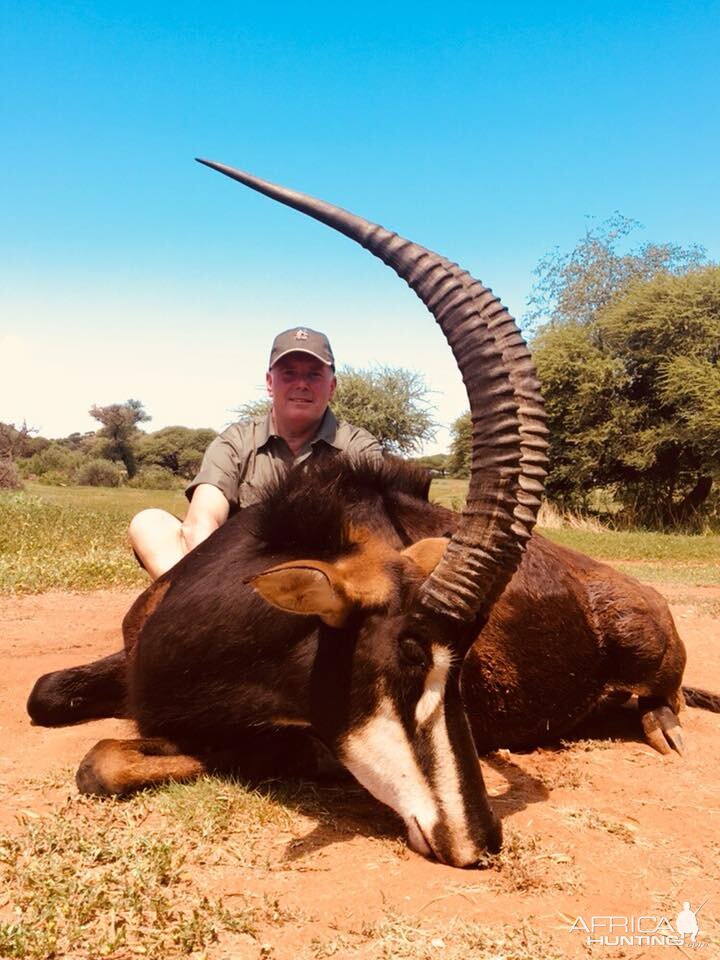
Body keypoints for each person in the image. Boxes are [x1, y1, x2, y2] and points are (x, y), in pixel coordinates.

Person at [129, 327, 382, 579]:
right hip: (238, 580)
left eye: (314, 375)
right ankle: (197, 609)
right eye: (289, 374)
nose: (301, 384)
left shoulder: (360, 448)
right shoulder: (236, 441)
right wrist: (214, 587)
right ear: (270, 383)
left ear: (332, 386)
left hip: (322, 583)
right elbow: (202, 521)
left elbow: (375, 532)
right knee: (149, 524)